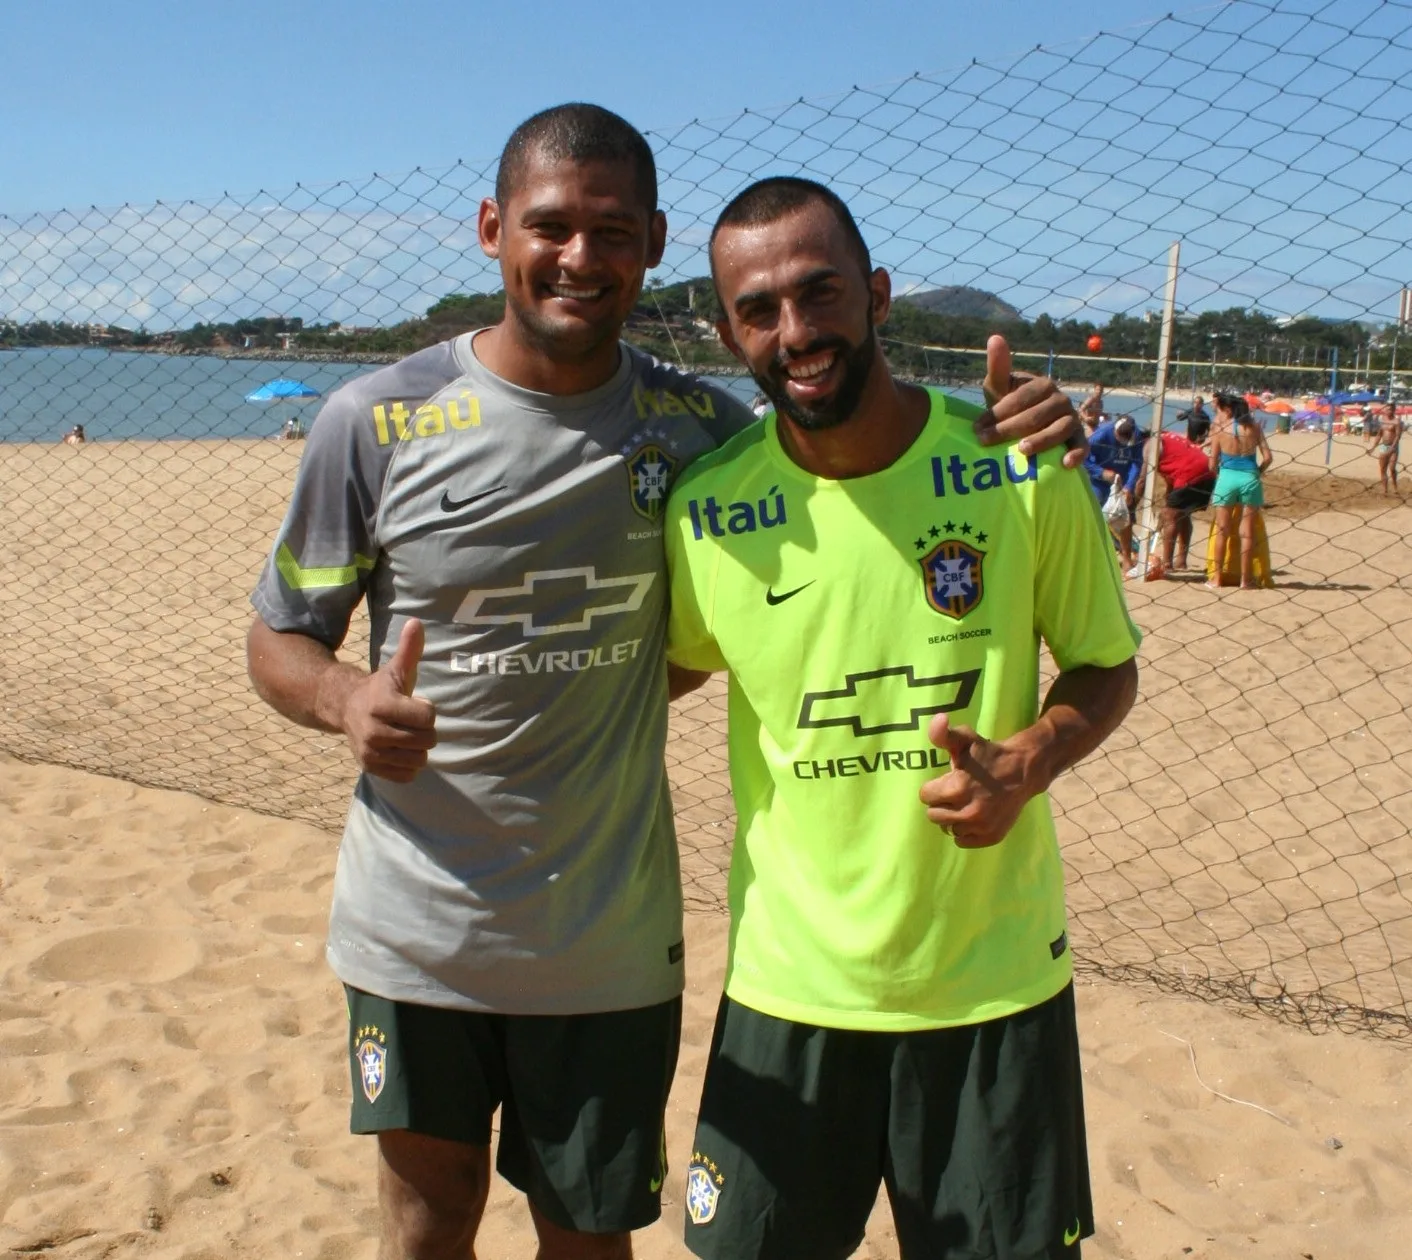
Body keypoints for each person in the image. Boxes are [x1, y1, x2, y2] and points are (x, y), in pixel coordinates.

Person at [245, 105, 1086, 1260]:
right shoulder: (371, 421)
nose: (577, 258)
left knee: (590, 1239)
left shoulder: (702, 435)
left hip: (610, 936)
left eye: (608, 232)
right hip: (414, 923)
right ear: (493, 228)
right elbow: (278, 637)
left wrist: (1020, 424)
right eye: (548, 225)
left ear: (649, 242)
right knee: (425, 1222)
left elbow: (829, 468)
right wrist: (346, 701)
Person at [664, 176, 1140, 1259]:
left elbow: (1103, 666)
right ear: (728, 329)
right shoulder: (708, 511)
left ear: (875, 295)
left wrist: (1034, 755)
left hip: (991, 987)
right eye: (756, 310)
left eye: (817, 292)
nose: (793, 332)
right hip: (787, 987)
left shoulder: (1018, 466)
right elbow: (667, 669)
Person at [1206, 392, 1273, 590]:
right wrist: (1257, 472)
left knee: (1222, 531)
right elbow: (1268, 457)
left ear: (1229, 409)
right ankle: (1246, 580)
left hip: (1227, 476)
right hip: (1249, 477)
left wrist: (1222, 476)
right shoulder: (1255, 428)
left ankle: (1216, 579)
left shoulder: (1221, 428)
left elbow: (1212, 463)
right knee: (1247, 533)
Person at [1142, 429, 1216, 576]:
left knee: (1169, 515)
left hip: (1190, 473)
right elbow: (1173, 469)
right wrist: (1169, 495)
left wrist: (1135, 499)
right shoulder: (1170, 436)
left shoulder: (1149, 446)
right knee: (1183, 513)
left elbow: (1143, 479)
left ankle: (1167, 563)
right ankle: (1181, 560)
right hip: (1207, 470)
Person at [1084, 412, 1145, 570]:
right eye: (1120, 438)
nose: (1124, 442)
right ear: (1115, 432)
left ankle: (1126, 558)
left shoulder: (1136, 435)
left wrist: (1129, 486)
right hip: (1100, 483)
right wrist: (1101, 472)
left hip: (1121, 482)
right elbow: (1084, 459)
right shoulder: (1100, 436)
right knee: (1095, 518)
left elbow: (1136, 463)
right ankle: (1095, 557)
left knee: (1126, 520)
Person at [1366, 401, 1401, 495]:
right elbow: (1379, 435)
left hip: (1393, 447)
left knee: (1392, 468)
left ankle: (1395, 486)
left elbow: (1398, 436)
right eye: (1387, 408)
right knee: (1383, 469)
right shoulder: (1382, 420)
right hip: (1384, 446)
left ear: (1394, 410)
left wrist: (1392, 448)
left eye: (1390, 409)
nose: (1388, 410)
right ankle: (1385, 489)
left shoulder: (1396, 421)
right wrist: (1373, 448)